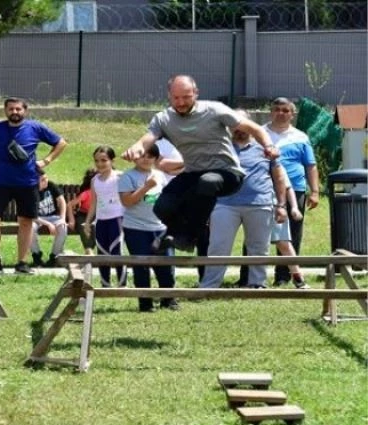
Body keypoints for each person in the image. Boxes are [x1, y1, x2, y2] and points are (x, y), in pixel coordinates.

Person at [123, 75, 279, 253]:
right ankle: (179, 234)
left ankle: (191, 235)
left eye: (186, 97)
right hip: (194, 173)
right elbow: (148, 138)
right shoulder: (163, 119)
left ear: (196, 93)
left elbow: (254, 128)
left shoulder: (214, 110)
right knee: (162, 207)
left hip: (228, 173)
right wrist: (137, 147)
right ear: (169, 96)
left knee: (208, 181)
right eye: (176, 98)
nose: (181, 102)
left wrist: (269, 145)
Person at [0, 97, 68, 274]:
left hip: (28, 183)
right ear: (5, 111)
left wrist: (46, 161)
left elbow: (60, 143)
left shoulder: (36, 127)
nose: (14, 112)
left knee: (26, 222)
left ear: (25, 111)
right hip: (0, 182)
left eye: (18, 109)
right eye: (11, 109)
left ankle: (22, 263)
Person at [200, 110, 288, 289]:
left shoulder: (266, 148)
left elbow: (278, 178)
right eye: (234, 125)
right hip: (224, 205)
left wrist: (281, 205)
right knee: (218, 248)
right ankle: (210, 286)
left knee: (259, 248)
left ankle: (257, 285)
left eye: (242, 124)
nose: (238, 128)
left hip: (259, 204)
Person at [263, 96, 319, 286]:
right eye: (277, 109)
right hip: (264, 189)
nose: (281, 113)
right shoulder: (260, 134)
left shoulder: (301, 137)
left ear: (292, 114)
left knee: (291, 234)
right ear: (271, 112)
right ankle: (250, 276)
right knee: (256, 232)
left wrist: (315, 192)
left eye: (285, 110)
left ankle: (284, 276)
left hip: (295, 189)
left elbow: (311, 166)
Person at [119, 144, 178, 312]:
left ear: (156, 159)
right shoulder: (127, 177)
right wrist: (146, 187)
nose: (146, 159)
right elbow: (127, 202)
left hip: (160, 228)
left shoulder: (160, 175)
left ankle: (169, 300)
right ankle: (145, 303)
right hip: (135, 228)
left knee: (166, 265)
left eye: (150, 156)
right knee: (141, 267)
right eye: (142, 155)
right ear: (135, 157)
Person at [83, 146, 127, 287]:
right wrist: (88, 222)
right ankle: (105, 284)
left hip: (117, 219)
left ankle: (122, 285)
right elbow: (94, 203)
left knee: (116, 252)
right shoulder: (94, 180)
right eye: (97, 161)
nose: (100, 164)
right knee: (102, 253)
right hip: (101, 221)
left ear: (112, 160)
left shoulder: (120, 176)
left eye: (104, 160)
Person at [270, 168, 310, 289]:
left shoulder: (275, 164)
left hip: (275, 206)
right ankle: (250, 280)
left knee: (284, 244)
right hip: (250, 206)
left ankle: (298, 278)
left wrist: (294, 207)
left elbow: (288, 187)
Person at [30, 172, 68, 268]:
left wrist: (63, 218)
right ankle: (37, 257)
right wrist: (48, 224)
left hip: (53, 217)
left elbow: (62, 201)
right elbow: (32, 216)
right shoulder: (30, 191)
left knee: (63, 228)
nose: (46, 181)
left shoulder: (51, 185)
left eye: (46, 178)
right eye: (43, 180)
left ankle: (54, 257)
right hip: (37, 219)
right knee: (29, 229)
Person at [66, 168, 97, 255]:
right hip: (83, 215)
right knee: (83, 227)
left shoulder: (104, 192)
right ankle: (88, 249)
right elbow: (69, 205)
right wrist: (71, 219)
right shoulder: (86, 193)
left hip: (96, 216)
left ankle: (90, 250)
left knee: (96, 228)